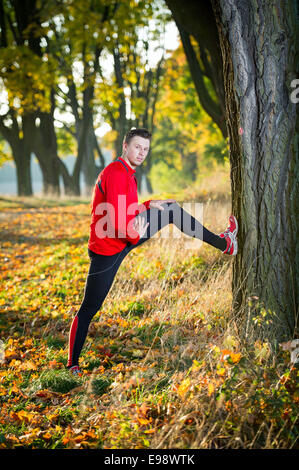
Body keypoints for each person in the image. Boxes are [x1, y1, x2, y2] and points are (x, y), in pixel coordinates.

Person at [67, 128, 238, 374]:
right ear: (125, 146)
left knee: (169, 208)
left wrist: (148, 205)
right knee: (89, 308)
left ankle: (225, 244)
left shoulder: (128, 173)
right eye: (137, 147)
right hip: (107, 250)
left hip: (125, 238)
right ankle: (72, 364)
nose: (141, 153)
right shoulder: (115, 172)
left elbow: (125, 208)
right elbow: (115, 220)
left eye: (145, 149)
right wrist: (137, 232)